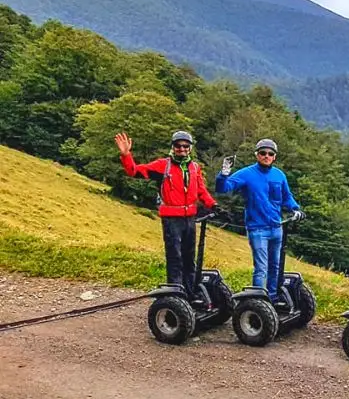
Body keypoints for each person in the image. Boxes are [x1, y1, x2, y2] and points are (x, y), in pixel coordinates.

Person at [115, 130, 218, 307]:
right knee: (175, 258)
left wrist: (212, 204)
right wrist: (126, 155)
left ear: (190, 148)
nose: (182, 149)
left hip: (190, 219)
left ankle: (190, 295)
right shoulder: (163, 166)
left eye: (185, 146)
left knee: (189, 259)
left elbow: (200, 189)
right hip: (171, 220)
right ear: (173, 147)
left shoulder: (194, 167)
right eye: (178, 146)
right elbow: (135, 171)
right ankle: (176, 296)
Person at [215, 138, 304, 305]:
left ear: (274, 157)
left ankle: (272, 299)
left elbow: (286, 197)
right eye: (263, 153)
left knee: (275, 266)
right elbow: (223, 189)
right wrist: (224, 174)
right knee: (261, 268)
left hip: (277, 227)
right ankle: (258, 303)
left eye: (270, 153)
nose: (266, 156)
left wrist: (295, 209)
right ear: (257, 154)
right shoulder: (246, 174)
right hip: (257, 229)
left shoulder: (279, 175)